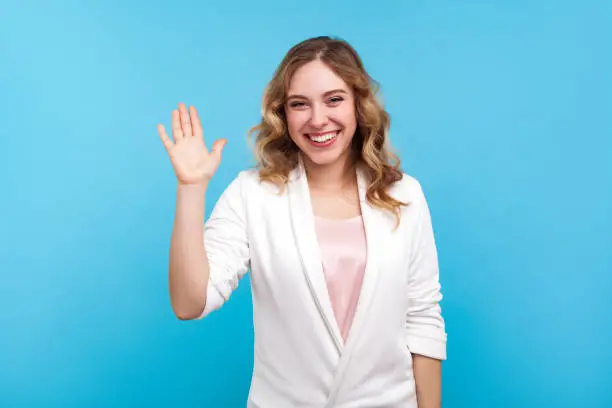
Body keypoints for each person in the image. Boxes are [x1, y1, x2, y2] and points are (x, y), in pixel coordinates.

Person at [157, 36, 447, 408]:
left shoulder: (405, 195)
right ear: (283, 113)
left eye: (334, 99)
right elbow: (189, 303)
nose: (317, 119)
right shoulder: (253, 194)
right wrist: (191, 188)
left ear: (359, 104)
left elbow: (423, 319)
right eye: (299, 104)